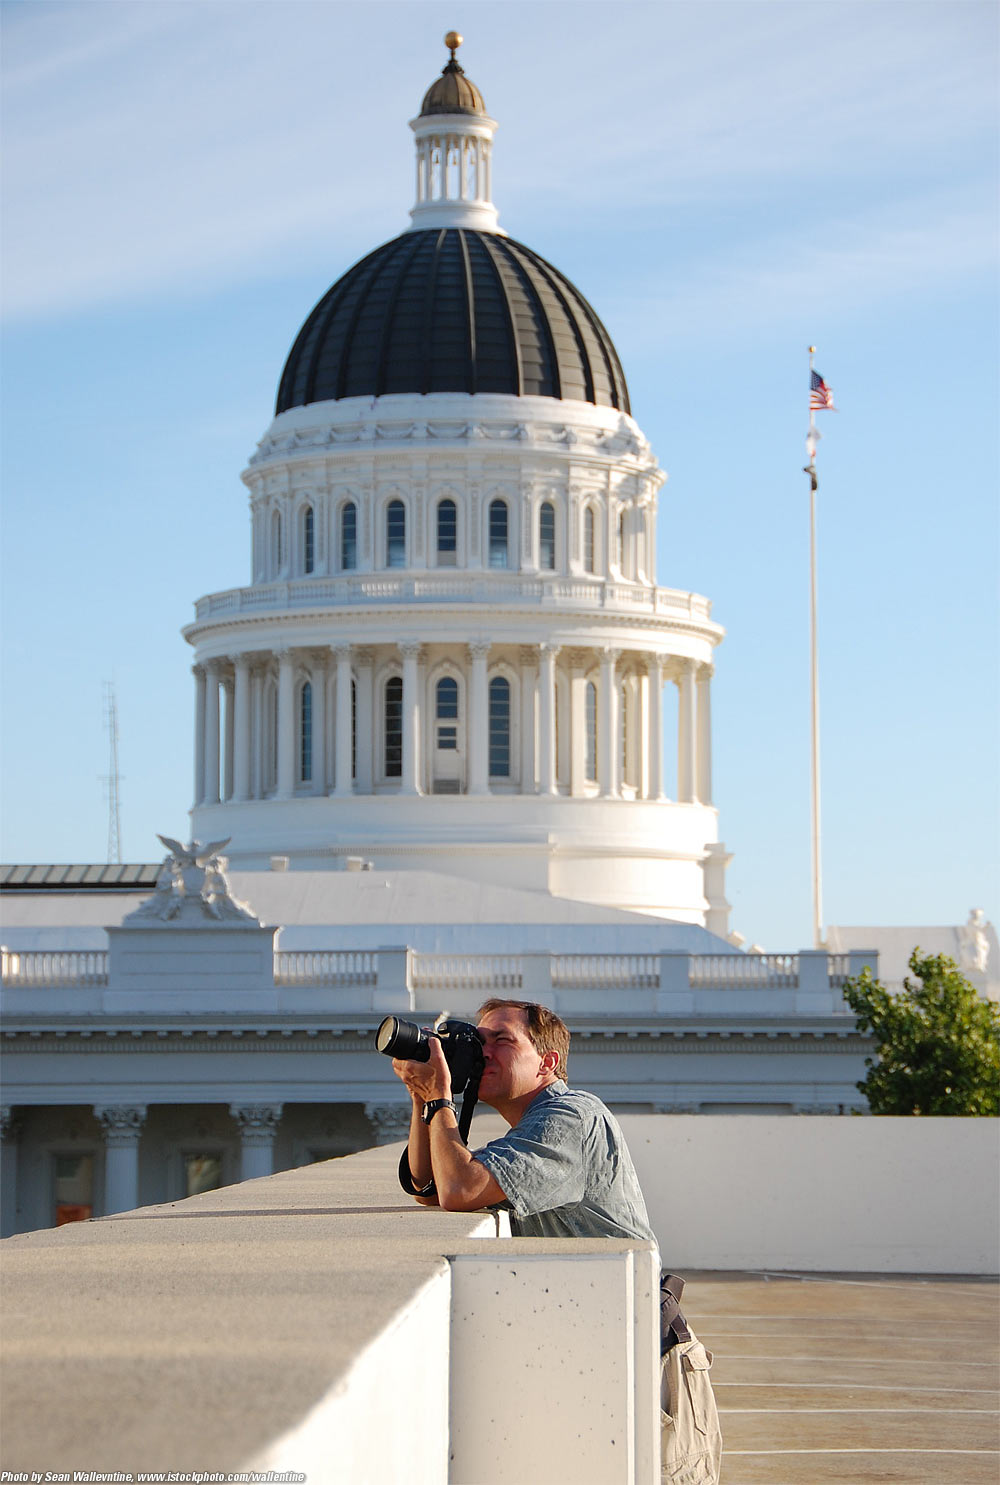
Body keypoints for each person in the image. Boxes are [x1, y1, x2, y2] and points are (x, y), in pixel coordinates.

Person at [391, 996, 656, 1242]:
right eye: (480, 1043)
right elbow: (431, 1188)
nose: (483, 1054)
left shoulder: (569, 1118)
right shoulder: (531, 1127)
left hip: (617, 1291)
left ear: (547, 1063)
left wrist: (439, 1095)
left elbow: (460, 1189)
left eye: (502, 1040)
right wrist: (422, 1096)